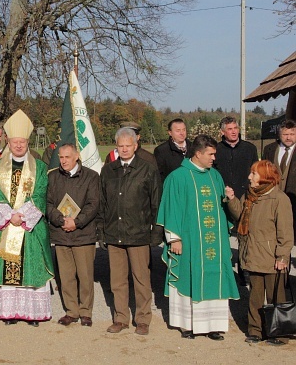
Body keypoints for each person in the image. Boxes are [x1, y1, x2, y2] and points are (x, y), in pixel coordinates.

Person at [157, 134, 240, 340]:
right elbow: (171, 208)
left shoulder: (216, 176)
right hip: (189, 240)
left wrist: (230, 200)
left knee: (214, 277)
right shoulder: (177, 177)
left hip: (214, 240)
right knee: (188, 275)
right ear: (198, 153)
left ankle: (212, 325)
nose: (214, 158)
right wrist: (174, 238)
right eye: (210, 154)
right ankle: (187, 325)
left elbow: (223, 207)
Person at [0, 109, 54, 326]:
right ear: (8, 141)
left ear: (27, 142)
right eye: (15, 142)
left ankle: (31, 313)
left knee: (31, 266)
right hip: (6, 226)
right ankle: (9, 313)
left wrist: (22, 216)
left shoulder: (39, 167)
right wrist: (8, 216)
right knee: (6, 267)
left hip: (28, 227)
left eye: (22, 142)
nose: (19, 146)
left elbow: (41, 193)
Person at [98, 127, 161, 336]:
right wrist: (102, 231)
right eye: (120, 145)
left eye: (128, 145)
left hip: (139, 233)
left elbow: (156, 203)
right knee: (117, 280)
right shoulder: (108, 170)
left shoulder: (147, 169)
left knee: (141, 279)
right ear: (116, 146)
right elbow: (102, 203)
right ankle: (121, 318)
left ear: (135, 146)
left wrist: (156, 232)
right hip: (114, 233)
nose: (124, 149)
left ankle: (143, 319)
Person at [227, 160, 293, 346]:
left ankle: (278, 334)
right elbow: (240, 216)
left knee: (276, 297)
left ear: (265, 176)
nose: (249, 177)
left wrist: (282, 256)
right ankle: (255, 330)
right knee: (255, 296)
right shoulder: (250, 195)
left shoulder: (279, 199)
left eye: (254, 174)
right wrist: (231, 200)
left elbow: (286, 231)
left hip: (272, 257)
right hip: (253, 254)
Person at [47, 143, 100, 327]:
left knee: (85, 276)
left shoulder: (91, 177)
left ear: (76, 156)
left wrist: (76, 222)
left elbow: (93, 204)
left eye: (67, 157)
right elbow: (48, 203)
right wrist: (61, 221)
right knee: (66, 276)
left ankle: (86, 311)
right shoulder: (53, 177)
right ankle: (71, 311)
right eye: (61, 157)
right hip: (61, 234)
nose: (64, 161)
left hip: (83, 234)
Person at [214, 116, 258, 286]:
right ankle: (221, 269)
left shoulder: (249, 148)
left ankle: (244, 271)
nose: (233, 131)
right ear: (222, 132)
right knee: (222, 234)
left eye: (235, 128)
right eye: (230, 129)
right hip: (222, 197)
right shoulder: (217, 149)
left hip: (244, 197)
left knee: (243, 235)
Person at [262, 119, 296, 242]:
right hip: (273, 198)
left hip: (294, 199)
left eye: (292, 134)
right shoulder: (269, 149)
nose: (288, 138)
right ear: (279, 134)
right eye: (285, 134)